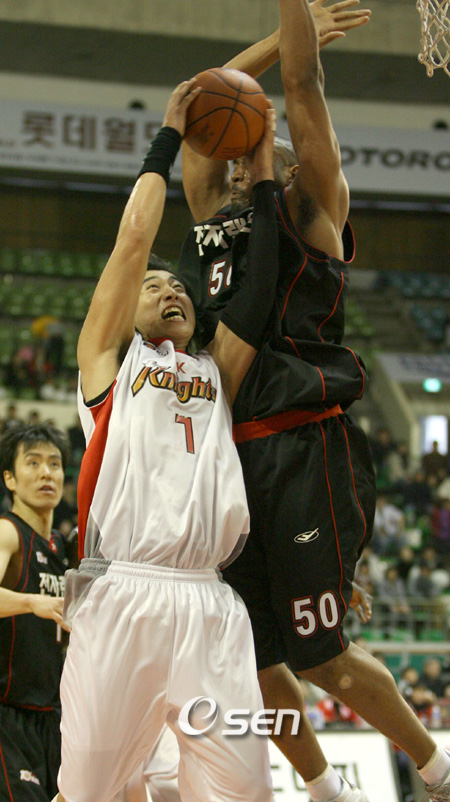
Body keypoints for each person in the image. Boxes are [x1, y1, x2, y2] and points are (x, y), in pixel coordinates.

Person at [174, 0, 450, 799]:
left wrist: (291, 27)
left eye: (252, 156)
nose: (235, 168)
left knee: (321, 653)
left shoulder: (309, 210)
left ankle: (436, 771)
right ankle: (325, 791)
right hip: (227, 456)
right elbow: (197, 104)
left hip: (304, 447)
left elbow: (302, 84)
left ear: (293, 168)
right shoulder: (212, 219)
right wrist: (258, 53)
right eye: (229, 158)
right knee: (250, 653)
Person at [53, 80, 280, 802]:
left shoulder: (218, 371)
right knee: (90, 790)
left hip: (211, 606)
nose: (169, 290)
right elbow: (132, 244)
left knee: (244, 791)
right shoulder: (109, 366)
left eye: (178, 286)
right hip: (124, 593)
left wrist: (265, 170)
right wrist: (167, 140)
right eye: (153, 288)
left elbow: (261, 284)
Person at [0, 422, 70, 802]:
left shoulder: (65, 546)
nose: (46, 472)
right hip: (8, 715)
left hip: (54, 718)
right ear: (9, 479)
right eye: (33, 463)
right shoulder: (7, 532)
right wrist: (31, 601)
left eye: (54, 464)